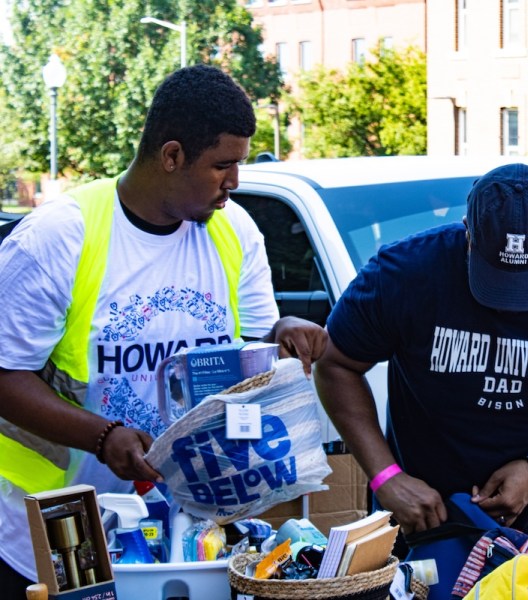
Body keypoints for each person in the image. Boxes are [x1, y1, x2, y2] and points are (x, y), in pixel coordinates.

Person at [0, 64, 326, 596]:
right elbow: (4, 373)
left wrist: (283, 332)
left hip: (187, 539)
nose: (235, 183)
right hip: (57, 535)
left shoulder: (234, 231)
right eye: (223, 165)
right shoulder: (60, 237)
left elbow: (252, 348)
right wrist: (101, 436)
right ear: (171, 156)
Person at [314, 163, 528, 566]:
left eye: (527, 280)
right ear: (467, 232)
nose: (507, 303)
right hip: (426, 530)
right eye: (493, 278)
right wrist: (386, 476)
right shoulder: (405, 275)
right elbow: (336, 365)